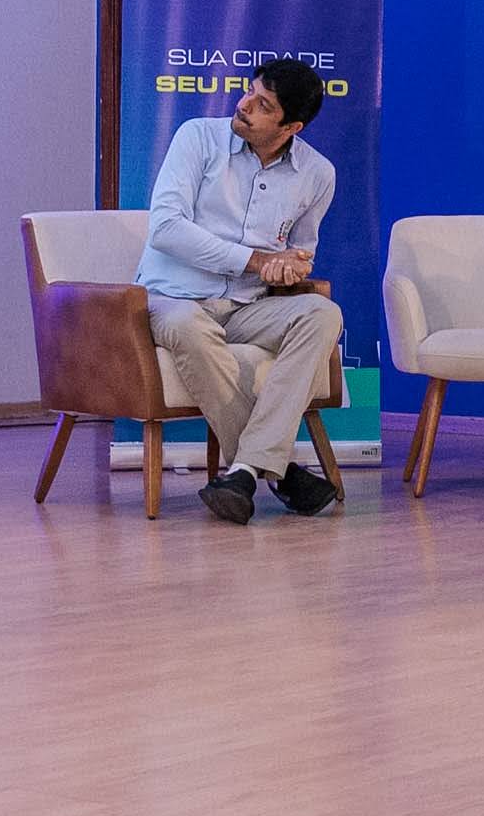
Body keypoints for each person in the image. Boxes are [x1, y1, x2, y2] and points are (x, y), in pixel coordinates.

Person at [136, 58, 344, 524]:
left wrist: (289, 268)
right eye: (250, 92)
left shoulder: (318, 173)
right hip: (173, 298)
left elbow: (300, 251)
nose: (245, 105)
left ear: (291, 127)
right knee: (187, 325)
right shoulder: (197, 137)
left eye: (263, 105)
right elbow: (165, 228)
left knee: (322, 314)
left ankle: (246, 471)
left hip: (246, 306)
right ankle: (276, 469)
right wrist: (255, 260)